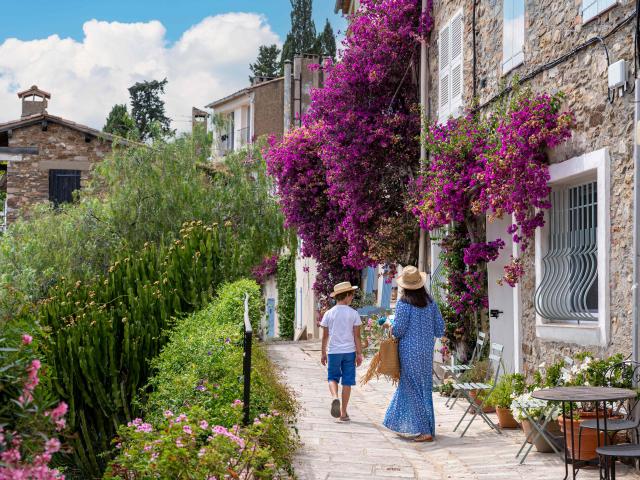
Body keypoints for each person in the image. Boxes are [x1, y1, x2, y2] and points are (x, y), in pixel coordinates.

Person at [382, 266, 445, 442]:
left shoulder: (404, 303)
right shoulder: (431, 303)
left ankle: (425, 431)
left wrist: (390, 326)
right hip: (425, 352)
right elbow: (440, 329)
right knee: (423, 388)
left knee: (411, 388)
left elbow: (399, 330)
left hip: (409, 351)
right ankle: (428, 428)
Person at [320, 281, 364, 421]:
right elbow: (357, 336)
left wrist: (323, 353)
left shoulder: (328, 313)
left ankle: (334, 397)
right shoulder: (354, 314)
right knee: (347, 381)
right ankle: (343, 412)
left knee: (332, 377)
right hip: (349, 352)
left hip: (333, 352)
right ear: (346, 296)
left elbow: (325, 336)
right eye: (351, 295)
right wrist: (359, 353)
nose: (352, 298)